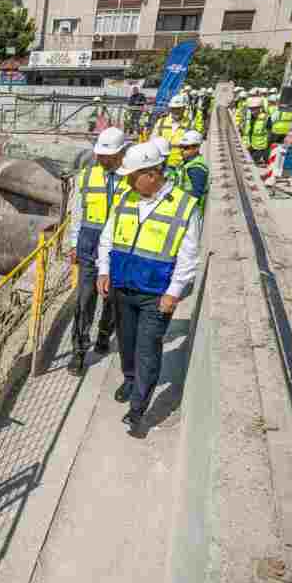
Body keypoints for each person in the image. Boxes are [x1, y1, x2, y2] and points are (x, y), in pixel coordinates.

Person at [97, 143, 202, 435]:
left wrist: (174, 292)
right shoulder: (126, 199)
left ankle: (138, 409)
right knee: (127, 343)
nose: (128, 181)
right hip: (122, 286)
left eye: (133, 176)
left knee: (147, 348)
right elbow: (107, 238)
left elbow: (188, 255)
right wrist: (105, 270)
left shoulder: (184, 206)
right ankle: (130, 379)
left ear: (153, 174)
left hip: (156, 294)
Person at [67, 127, 131, 373]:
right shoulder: (86, 176)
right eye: (100, 156)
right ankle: (79, 351)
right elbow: (77, 213)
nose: (102, 160)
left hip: (119, 248)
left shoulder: (132, 178)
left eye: (107, 156)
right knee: (84, 301)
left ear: (121, 153)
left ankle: (104, 335)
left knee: (113, 299)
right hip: (89, 246)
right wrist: (74, 243)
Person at [153, 94, 190, 168]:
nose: (176, 111)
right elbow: (153, 142)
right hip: (160, 165)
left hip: (180, 165)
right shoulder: (161, 122)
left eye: (179, 108)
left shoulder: (189, 124)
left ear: (183, 109)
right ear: (170, 109)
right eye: (174, 108)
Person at [177, 130, 209, 208]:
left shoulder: (196, 168)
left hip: (189, 209)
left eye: (186, 148)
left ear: (196, 148)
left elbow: (196, 195)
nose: (182, 150)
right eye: (181, 147)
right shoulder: (187, 162)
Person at [242, 96, 271, 166]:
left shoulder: (266, 118)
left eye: (255, 109)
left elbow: (270, 132)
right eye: (251, 109)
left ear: (260, 108)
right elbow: (248, 132)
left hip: (262, 148)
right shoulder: (250, 119)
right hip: (252, 146)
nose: (253, 111)